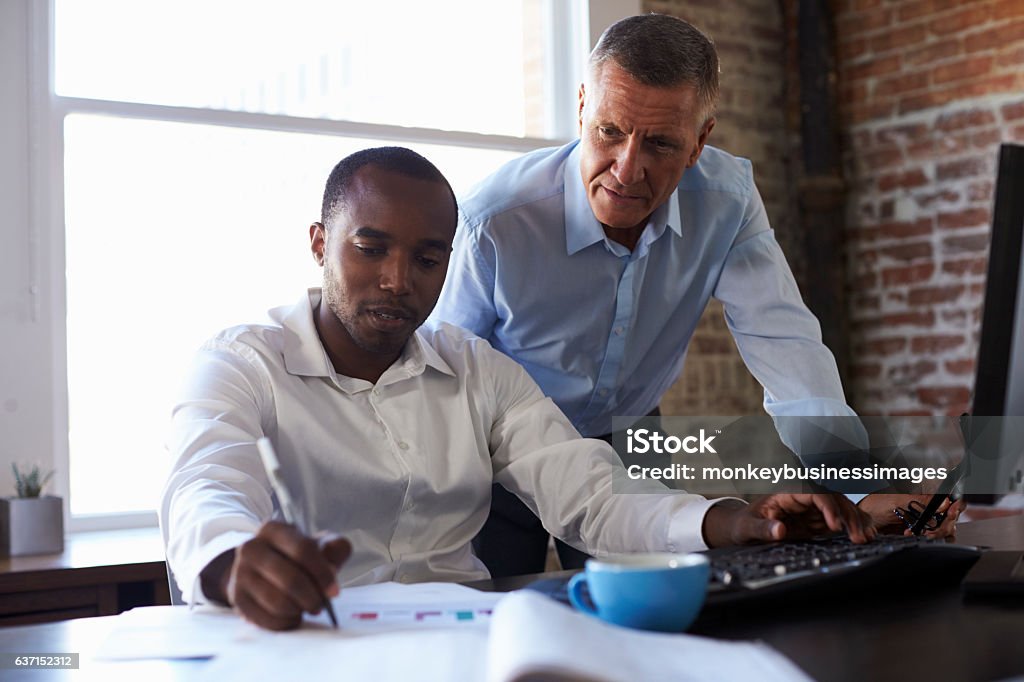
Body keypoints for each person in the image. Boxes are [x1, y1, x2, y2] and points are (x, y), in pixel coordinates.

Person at [161, 146, 873, 631]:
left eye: (427, 257)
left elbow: (590, 494)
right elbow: (204, 487)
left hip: (468, 653)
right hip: (308, 647)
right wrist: (230, 561)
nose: (397, 280)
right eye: (370, 247)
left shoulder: (476, 369)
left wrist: (739, 521)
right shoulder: (238, 364)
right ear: (320, 242)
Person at [429, 13, 962, 576]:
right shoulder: (494, 222)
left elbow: (788, 346)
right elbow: (444, 379)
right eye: (609, 131)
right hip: (499, 454)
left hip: (630, 440)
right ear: (582, 106)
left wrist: (855, 485)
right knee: (495, 625)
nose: (626, 170)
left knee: (660, 619)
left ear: (700, 141)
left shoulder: (727, 201)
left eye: (659, 143)